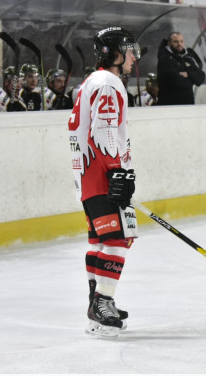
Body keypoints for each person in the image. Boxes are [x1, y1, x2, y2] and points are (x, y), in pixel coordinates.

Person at [68, 26, 140, 339]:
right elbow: (105, 128)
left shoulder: (92, 81)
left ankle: (96, 303)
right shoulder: (108, 82)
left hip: (87, 176)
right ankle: (102, 301)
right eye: (130, 49)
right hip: (101, 175)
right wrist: (116, 170)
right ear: (113, 52)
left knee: (99, 241)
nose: (134, 56)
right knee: (118, 239)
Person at [156, 32, 205, 105]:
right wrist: (193, 79)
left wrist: (188, 74)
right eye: (176, 42)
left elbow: (201, 77)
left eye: (181, 41)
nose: (179, 44)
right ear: (169, 43)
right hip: (170, 107)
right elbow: (177, 81)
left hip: (188, 107)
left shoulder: (187, 58)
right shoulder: (164, 59)